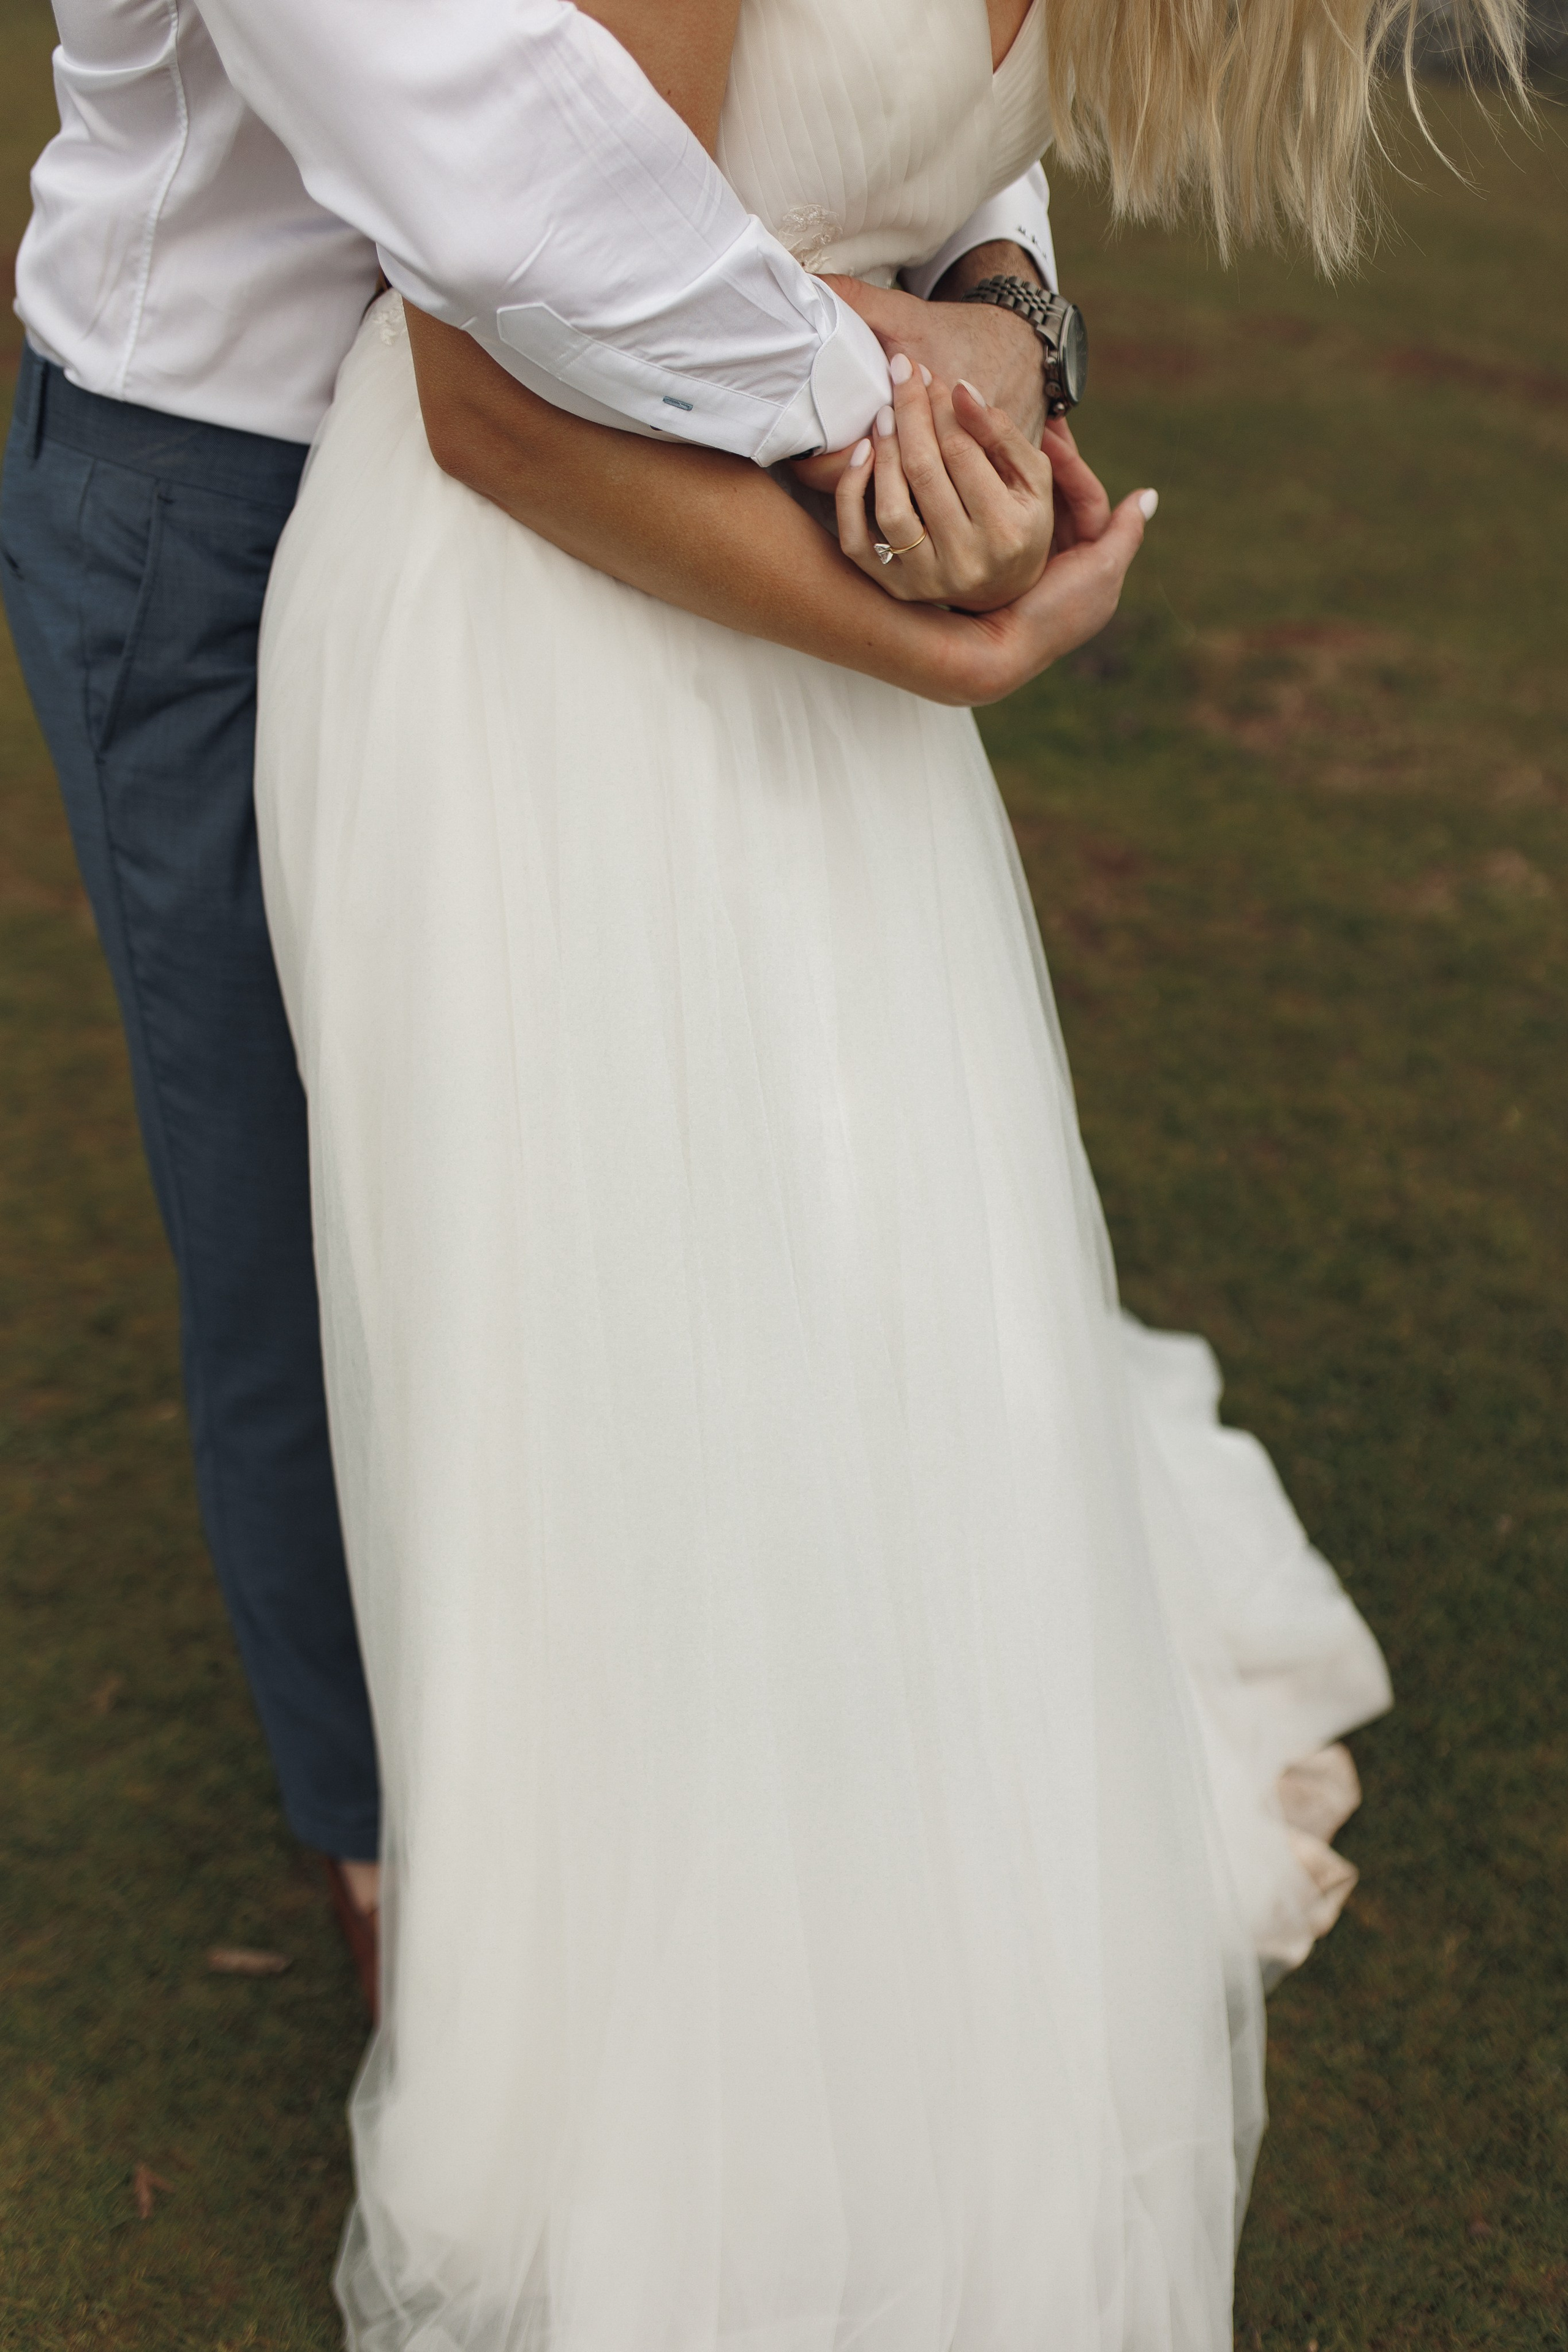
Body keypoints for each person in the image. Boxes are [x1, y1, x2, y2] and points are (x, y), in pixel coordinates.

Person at [256, 0, 1544, 2331]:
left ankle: (864, 1930)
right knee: (637, 1391)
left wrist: (1004, 376)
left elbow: (945, 226)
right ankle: (641, 2071)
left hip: (789, 623)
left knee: (868, 1325)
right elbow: (482, 389)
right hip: (545, 641)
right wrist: (939, 626)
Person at [0, 0, 1061, 2004]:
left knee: (658, 1206)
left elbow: (890, 59)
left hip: (638, 468)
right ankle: (402, 1865)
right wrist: (905, 401)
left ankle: (658, 1774)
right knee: (304, 1235)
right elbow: (489, 159)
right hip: (235, 485)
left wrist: (1000, 303)